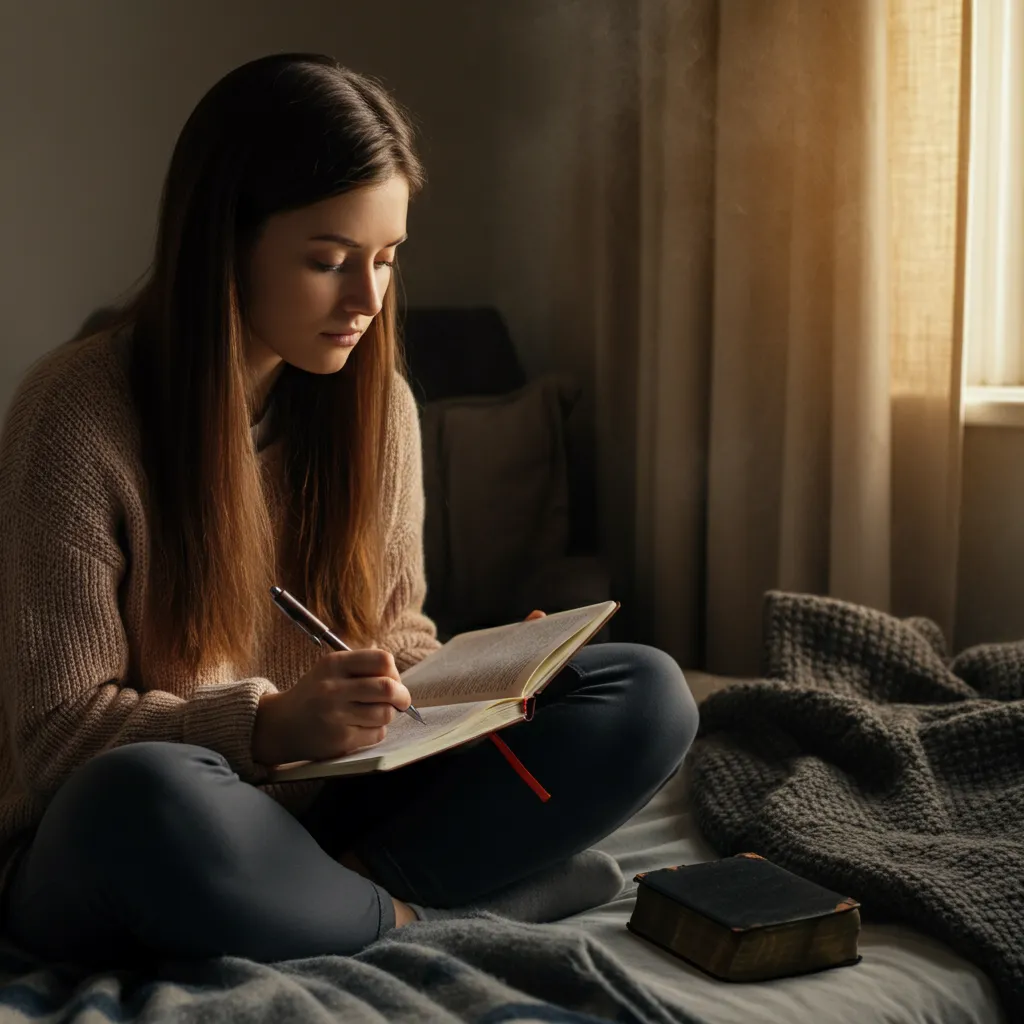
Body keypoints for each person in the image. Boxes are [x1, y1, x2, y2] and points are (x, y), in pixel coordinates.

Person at [0, 53, 699, 967]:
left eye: (386, 259)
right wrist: (269, 725)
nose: (367, 300)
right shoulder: (73, 418)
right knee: (141, 795)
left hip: (325, 816)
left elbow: (391, 638)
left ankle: (348, 899)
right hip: (141, 829)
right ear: (225, 244)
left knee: (644, 692)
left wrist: (476, 684)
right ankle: (429, 918)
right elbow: (58, 744)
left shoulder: (380, 410)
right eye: (328, 261)